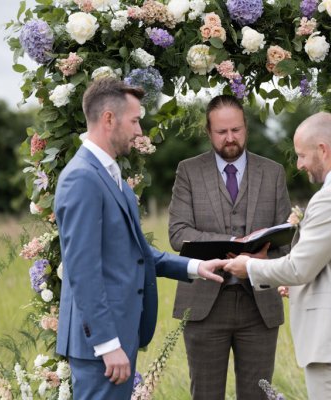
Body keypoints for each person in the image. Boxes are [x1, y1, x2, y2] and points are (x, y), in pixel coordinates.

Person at [54, 78, 228, 400]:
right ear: (109, 118)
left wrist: (195, 266)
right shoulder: (82, 178)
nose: (139, 131)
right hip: (102, 348)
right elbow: (82, 270)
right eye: (134, 121)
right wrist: (107, 344)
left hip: (120, 338)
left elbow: (134, 252)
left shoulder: (109, 175)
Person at [224, 112, 331, 400]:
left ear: (322, 149)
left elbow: (299, 268)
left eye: (301, 155)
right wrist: (300, 284)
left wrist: (249, 266)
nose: (299, 164)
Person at [168, 94, 292, 400]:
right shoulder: (188, 171)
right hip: (204, 305)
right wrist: (233, 244)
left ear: (246, 128)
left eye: (236, 130)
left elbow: (289, 238)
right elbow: (178, 233)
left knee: (258, 395)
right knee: (206, 396)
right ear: (208, 132)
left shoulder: (273, 172)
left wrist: (264, 258)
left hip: (259, 305)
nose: (230, 138)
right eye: (222, 132)